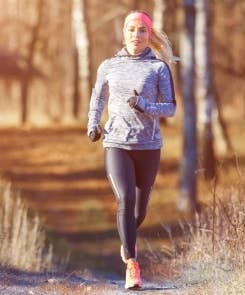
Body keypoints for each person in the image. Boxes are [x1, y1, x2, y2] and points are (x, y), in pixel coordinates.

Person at [86, 10, 177, 290]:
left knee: (138, 213)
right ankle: (133, 265)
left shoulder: (158, 68)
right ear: (124, 32)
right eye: (131, 30)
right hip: (115, 143)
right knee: (124, 198)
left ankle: (127, 242)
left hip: (148, 146)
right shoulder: (108, 66)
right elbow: (98, 97)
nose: (136, 35)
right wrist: (93, 124)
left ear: (149, 35)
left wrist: (144, 105)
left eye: (142, 30)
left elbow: (171, 107)